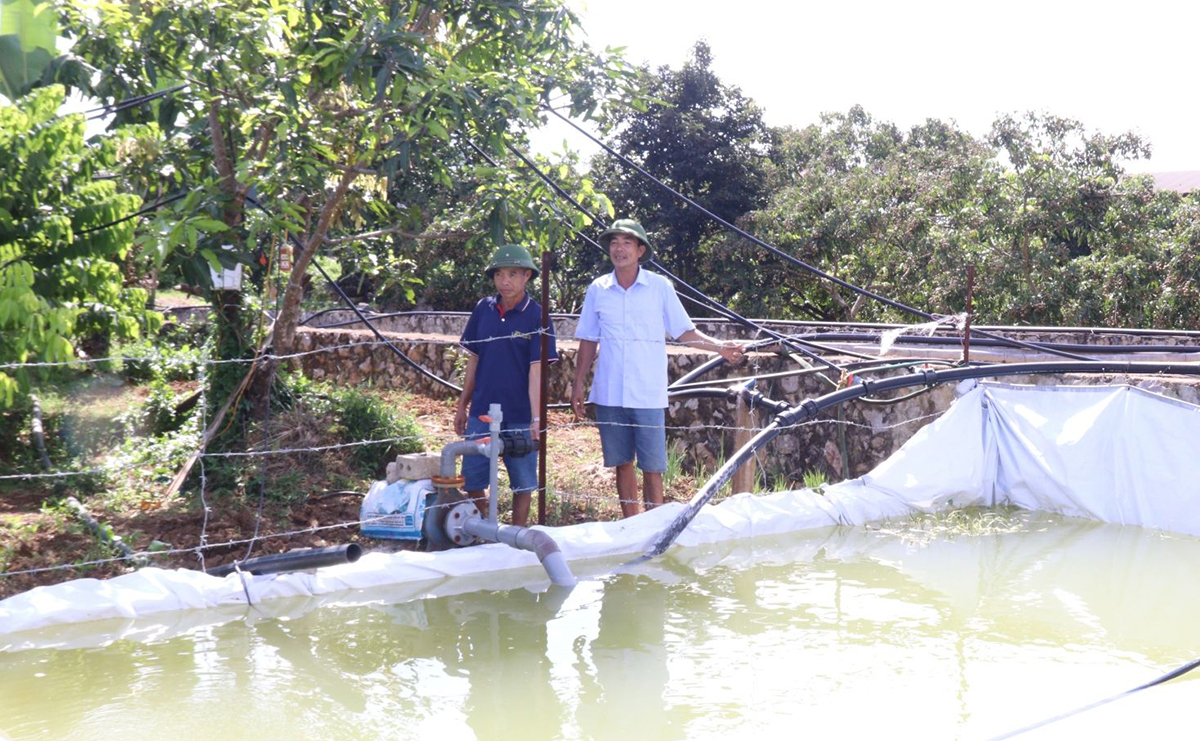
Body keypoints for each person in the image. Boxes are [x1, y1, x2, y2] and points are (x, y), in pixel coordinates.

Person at [570, 219, 743, 517]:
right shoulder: (598, 289)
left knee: (652, 466)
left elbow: (684, 332)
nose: (619, 248)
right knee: (621, 463)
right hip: (609, 391)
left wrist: (720, 348)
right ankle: (631, 524)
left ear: (640, 250)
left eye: (626, 242)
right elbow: (587, 340)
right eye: (614, 243)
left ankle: (654, 526)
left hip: (647, 392)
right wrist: (577, 384)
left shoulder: (659, 287)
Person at [455, 244, 557, 526]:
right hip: (482, 411)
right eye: (499, 274)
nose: (505, 281)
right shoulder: (483, 309)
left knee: (523, 483)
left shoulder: (537, 316)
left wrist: (536, 419)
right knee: (473, 477)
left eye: (513, 274)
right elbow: (473, 361)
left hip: (520, 415)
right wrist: (463, 405)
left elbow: (537, 370)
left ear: (527, 276)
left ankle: (516, 535)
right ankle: (486, 527)